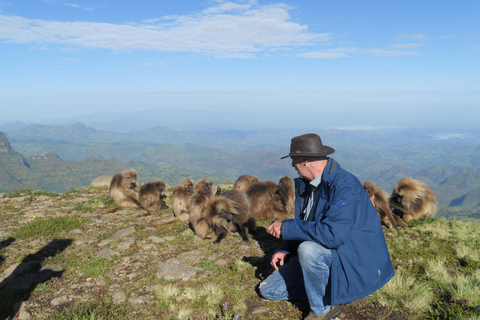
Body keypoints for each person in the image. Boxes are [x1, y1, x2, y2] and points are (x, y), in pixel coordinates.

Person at [259, 133, 394, 320]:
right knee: (269, 290)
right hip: (332, 252)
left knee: (308, 250)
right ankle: (326, 286)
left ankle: (323, 310)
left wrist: (286, 228)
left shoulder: (345, 185)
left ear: (305, 160)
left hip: (353, 258)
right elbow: (309, 224)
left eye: (294, 161)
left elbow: (334, 235)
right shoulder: (309, 187)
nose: (293, 166)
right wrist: (286, 248)